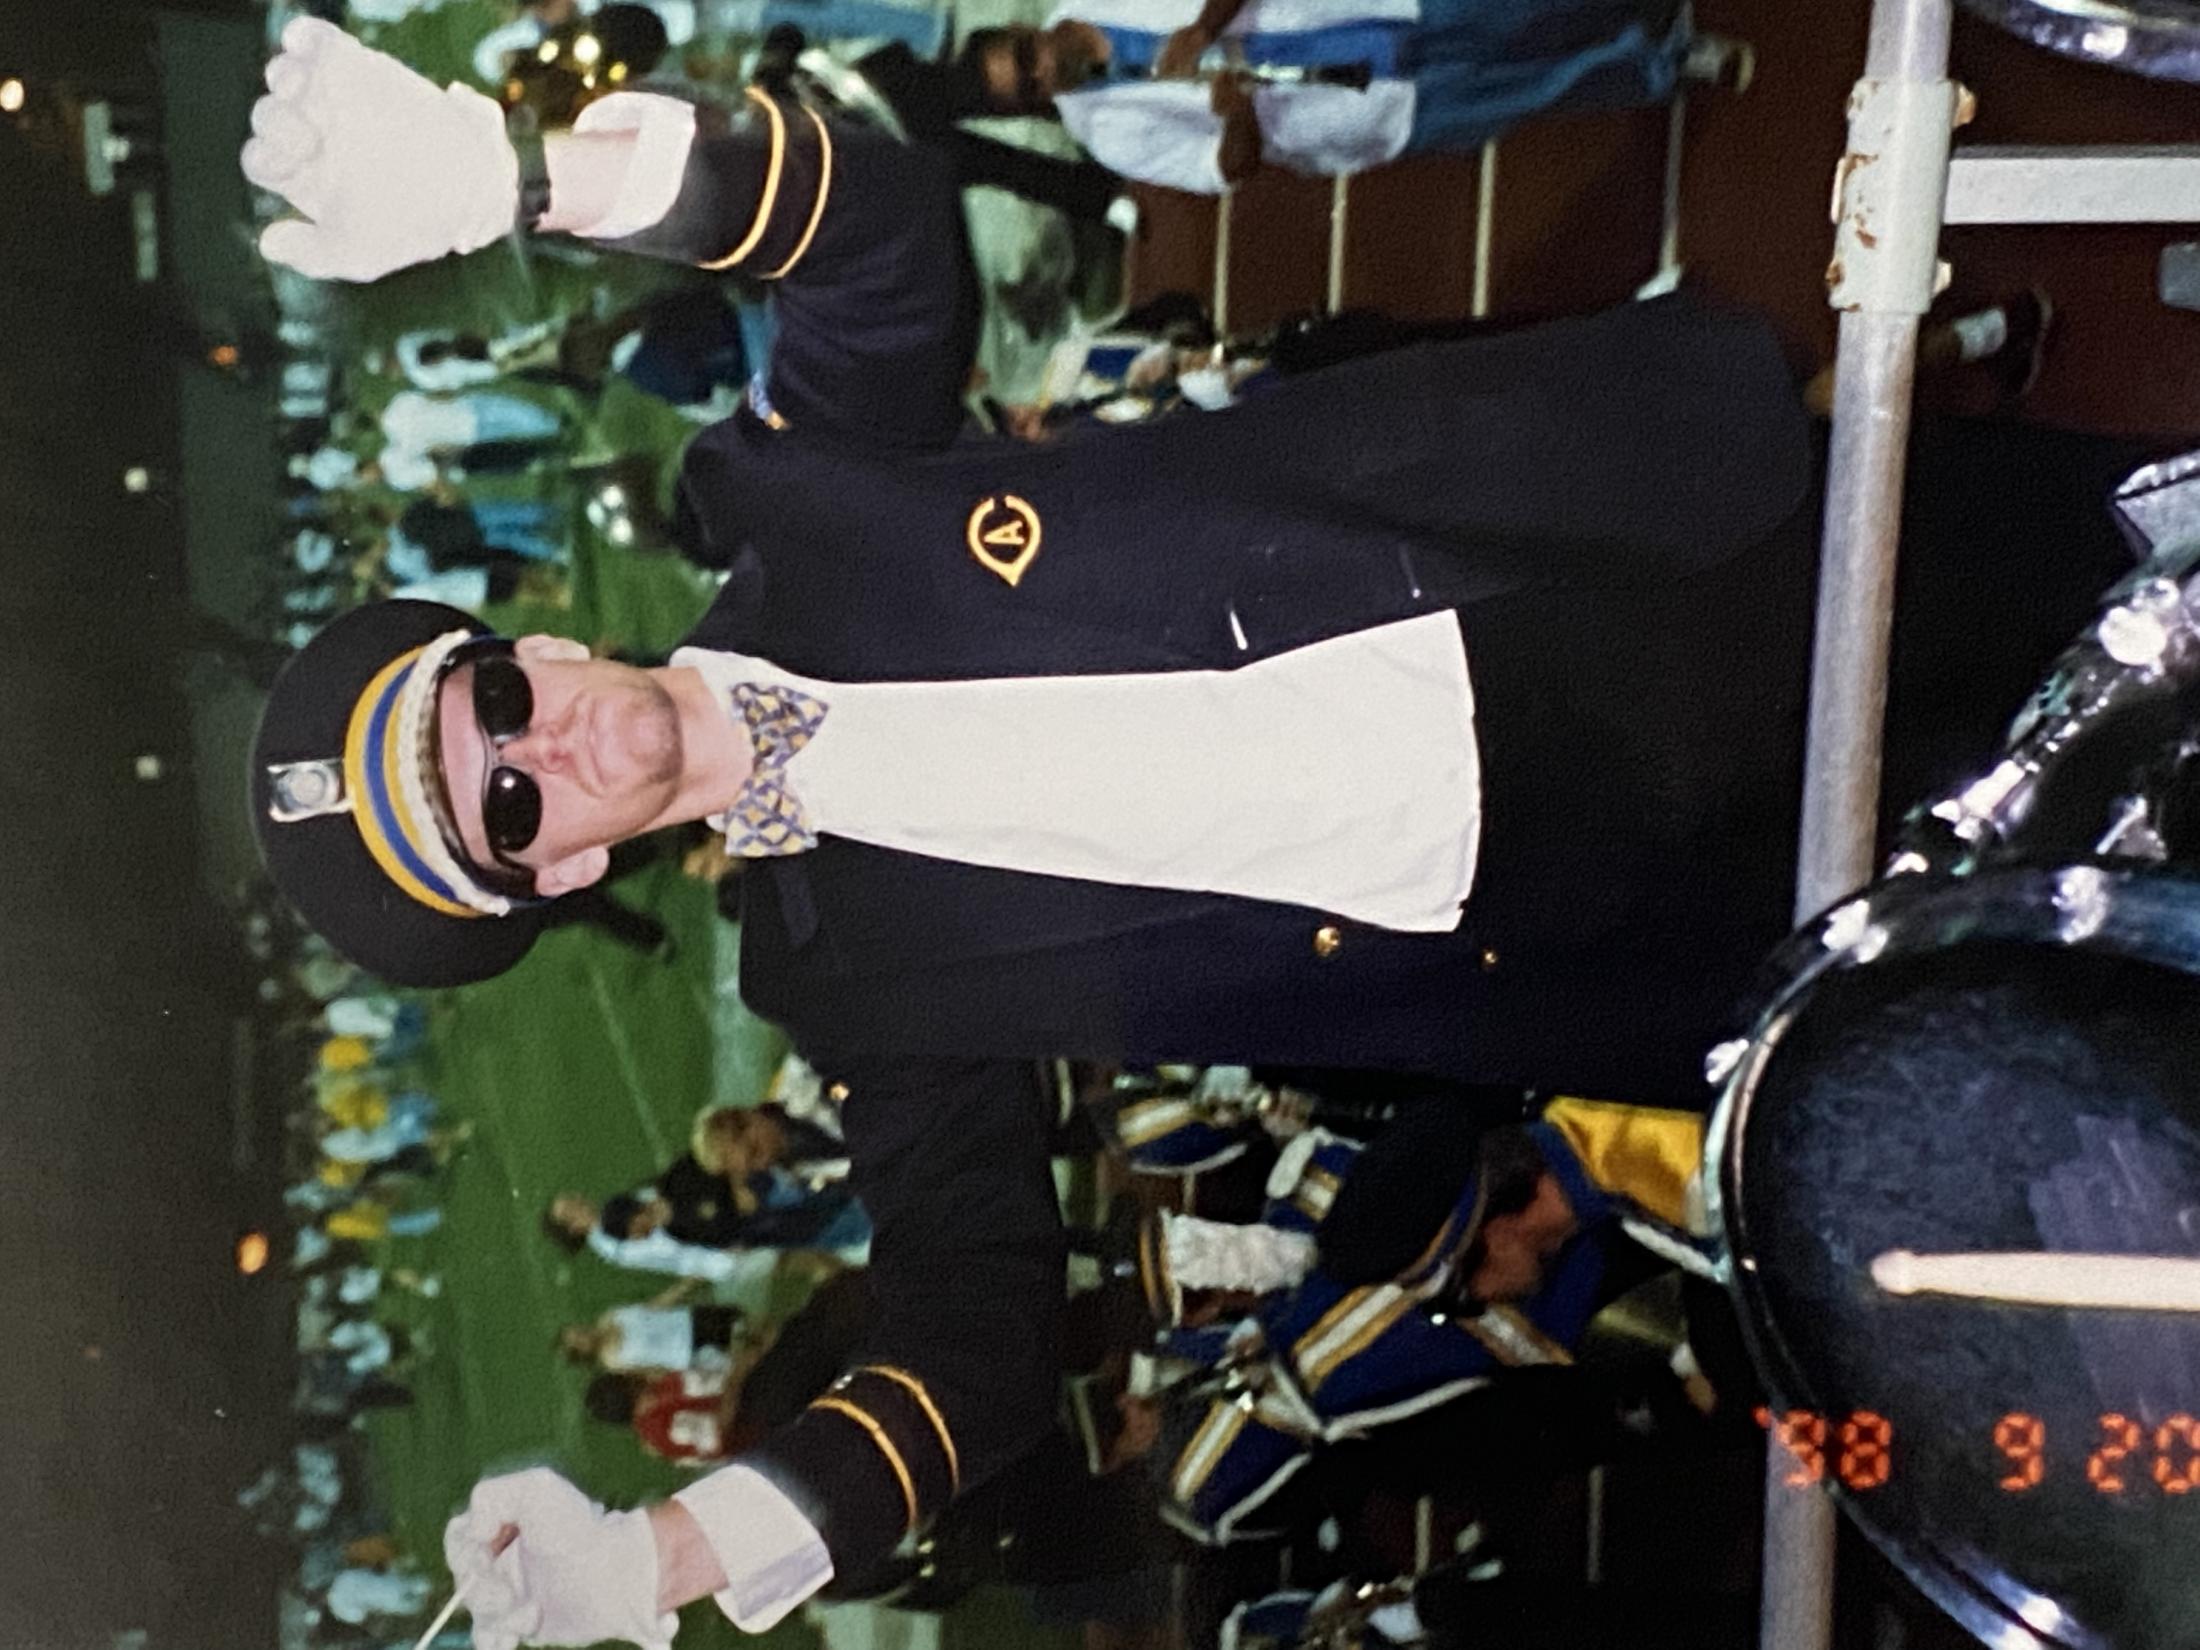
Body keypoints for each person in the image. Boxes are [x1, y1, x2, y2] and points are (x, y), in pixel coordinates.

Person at [957, 0, 1692, 192]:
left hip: (1363, 13)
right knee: (1527, 93)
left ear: (1026, 28)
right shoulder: (1102, 133)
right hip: (1353, 113)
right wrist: (1236, 108)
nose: (1040, 75)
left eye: (1025, 58)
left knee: (1520, 12)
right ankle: (1660, 67)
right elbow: (1225, 170)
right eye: (1026, 90)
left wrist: (1205, 26)